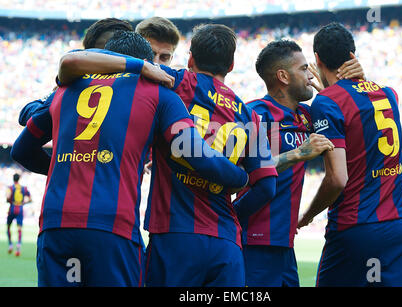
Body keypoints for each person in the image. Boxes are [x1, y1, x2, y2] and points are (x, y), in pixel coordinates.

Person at [11, 30, 249, 287]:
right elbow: (195, 153)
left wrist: (73, 167)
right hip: (113, 226)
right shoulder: (160, 95)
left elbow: (21, 150)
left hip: (55, 224)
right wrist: (239, 177)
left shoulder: (66, 90)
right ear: (147, 64)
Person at [60, 23, 279, 287]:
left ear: (190, 59)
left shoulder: (174, 82)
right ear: (231, 65)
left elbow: (106, 68)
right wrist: (232, 213)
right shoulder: (252, 116)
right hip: (227, 243)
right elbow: (267, 186)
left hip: (174, 234)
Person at [297, 22, 402, 287]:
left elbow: (337, 179)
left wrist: (307, 215)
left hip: (356, 227)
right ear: (353, 56)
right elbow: (361, 105)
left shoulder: (327, 102)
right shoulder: (390, 94)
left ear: (317, 59)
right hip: (401, 226)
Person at [235, 39, 364, 287]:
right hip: (253, 242)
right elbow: (238, 174)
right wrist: (296, 154)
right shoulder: (254, 114)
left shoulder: (307, 116)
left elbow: (351, 114)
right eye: (303, 69)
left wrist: (344, 83)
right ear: (283, 76)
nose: (310, 75)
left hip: (285, 244)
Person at [18, 18, 134, 127]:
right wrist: (57, 97)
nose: (112, 57)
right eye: (103, 52)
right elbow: (26, 114)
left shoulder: (138, 84)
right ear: (88, 55)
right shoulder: (76, 85)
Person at [135, 17, 182, 173]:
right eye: (151, 54)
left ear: (171, 59)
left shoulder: (173, 94)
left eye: (164, 57)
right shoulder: (115, 82)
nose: (156, 63)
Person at [6, 173, 31, 257]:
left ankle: (10, 245)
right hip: (20, 208)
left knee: (8, 227)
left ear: (13, 179)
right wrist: (23, 202)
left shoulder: (10, 188)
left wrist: (9, 200)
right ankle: (18, 247)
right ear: (19, 179)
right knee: (19, 228)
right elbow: (29, 198)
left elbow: (8, 197)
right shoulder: (24, 188)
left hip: (12, 208)